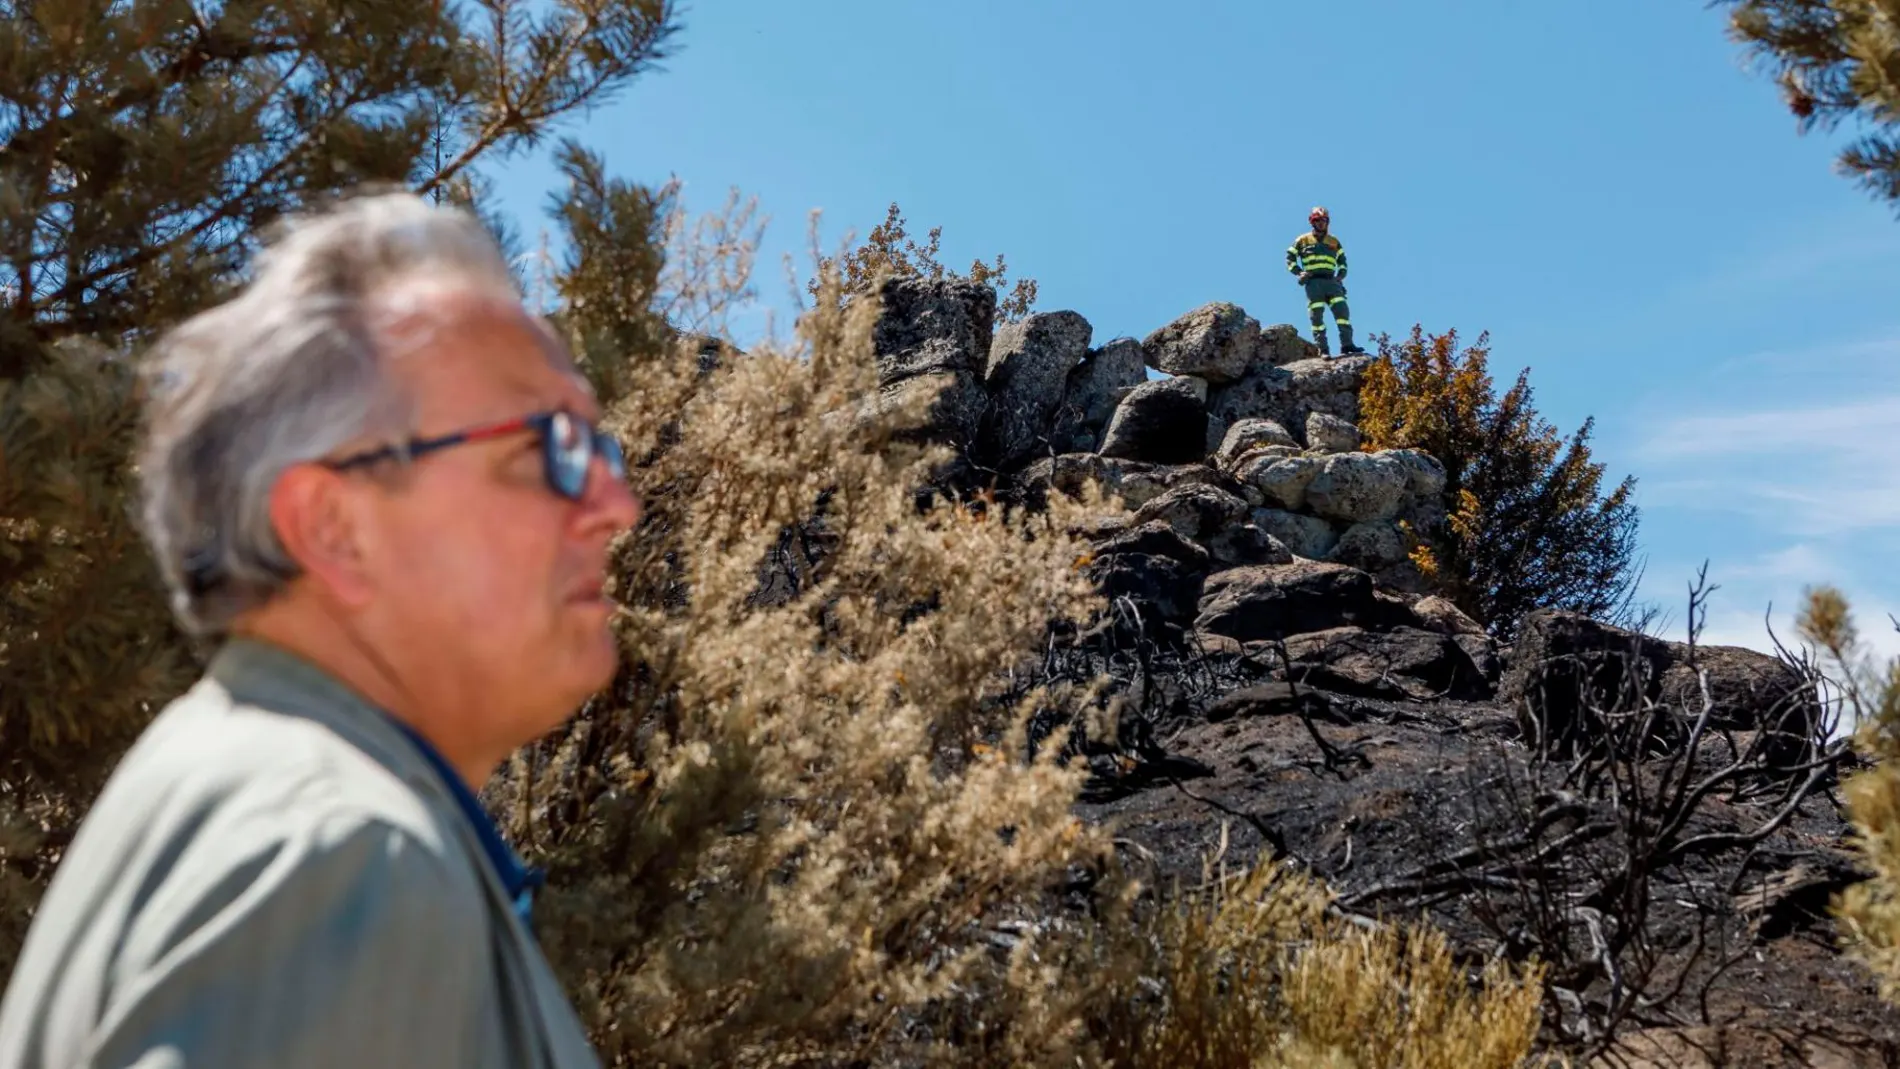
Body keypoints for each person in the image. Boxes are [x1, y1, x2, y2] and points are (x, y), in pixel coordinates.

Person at [0, 191, 642, 1068]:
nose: (616, 505)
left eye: (600, 450)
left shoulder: (255, 795)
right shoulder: (342, 850)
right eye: (549, 447)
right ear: (335, 529)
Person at [1285, 205, 1366, 356]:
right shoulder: (1302, 240)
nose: (1321, 223)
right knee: (1316, 316)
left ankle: (1347, 345)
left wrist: (1340, 276)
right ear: (1312, 222)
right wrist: (1299, 272)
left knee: (1342, 313)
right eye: (1318, 220)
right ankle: (1323, 349)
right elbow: (1290, 258)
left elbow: (1342, 261)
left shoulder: (1334, 241)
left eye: (1324, 220)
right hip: (1313, 283)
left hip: (1332, 282)